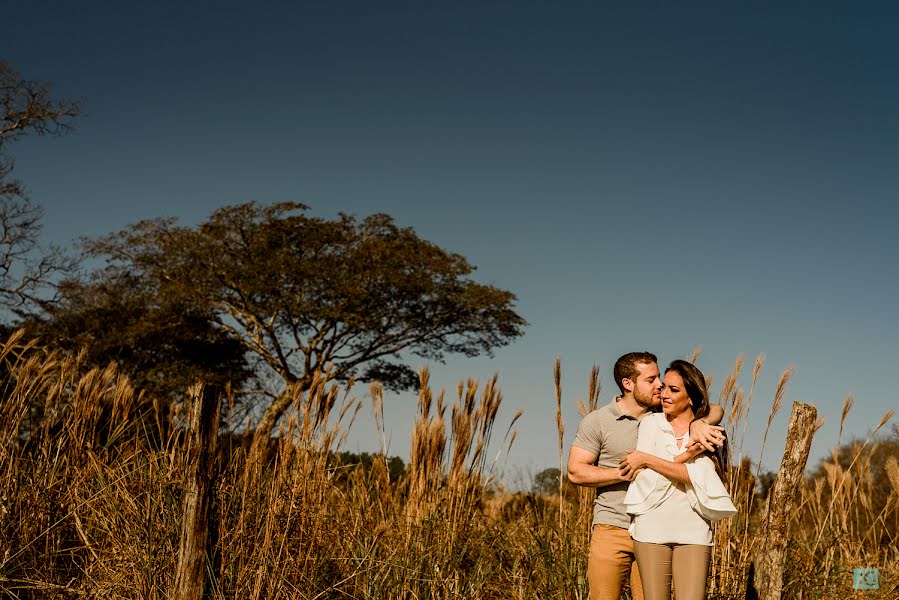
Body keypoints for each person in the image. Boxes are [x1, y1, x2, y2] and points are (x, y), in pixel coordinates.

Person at [567, 352, 726, 600]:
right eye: (651, 380)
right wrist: (629, 472)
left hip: (653, 528)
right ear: (627, 384)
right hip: (613, 526)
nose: (659, 385)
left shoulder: (664, 412)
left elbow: (712, 406)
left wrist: (698, 424)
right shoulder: (598, 421)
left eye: (660, 378)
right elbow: (575, 471)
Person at [620, 359, 737, 600]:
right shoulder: (650, 423)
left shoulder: (707, 431)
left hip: (693, 531)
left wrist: (648, 459)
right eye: (664, 388)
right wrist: (688, 455)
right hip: (650, 529)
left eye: (674, 390)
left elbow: (697, 478)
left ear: (691, 397)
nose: (664, 394)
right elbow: (646, 478)